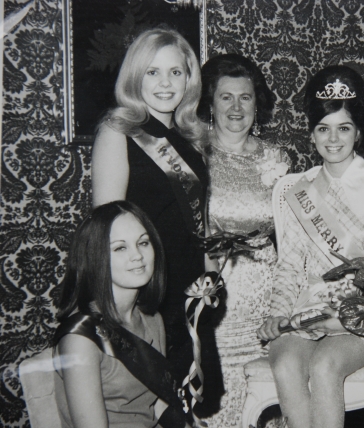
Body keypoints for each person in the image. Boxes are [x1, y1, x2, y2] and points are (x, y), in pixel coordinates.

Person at [258, 65, 364, 428]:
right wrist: (277, 311)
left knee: (324, 365)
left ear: (358, 133)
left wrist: (345, 315)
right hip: (307, 312)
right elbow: (290, 264)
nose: (333, 139)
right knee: (285, 361)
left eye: (343, 128)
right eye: (323, 129)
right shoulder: (299, 190)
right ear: (311, 134)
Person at [90, 27, 220, 417]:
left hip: (189, 285)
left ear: (189, 78)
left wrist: (211, 266)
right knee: (151, 405)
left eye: (176, 72)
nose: (165, 83)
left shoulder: (191, 136)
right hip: (147, 285)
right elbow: (108, 225)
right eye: (152, 72)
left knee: (186, 403)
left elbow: (199, 217)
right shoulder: (118, 131)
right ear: (134, 76)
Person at [197, 53, 289, 427]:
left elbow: (290, 234)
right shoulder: (193, 155)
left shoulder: (278, 159)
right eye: (226, 97)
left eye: (246, 97)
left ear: (257, 103)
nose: (236, 107)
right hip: (216, 294)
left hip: (268, 300)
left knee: (266, 399)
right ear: (210, 103)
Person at [53, 201, 188, 428]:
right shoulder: (80, 339)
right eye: (120, 248)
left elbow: (156, 403)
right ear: (95, 257)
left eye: (143, 243)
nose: (137, 255)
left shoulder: (153, 320)